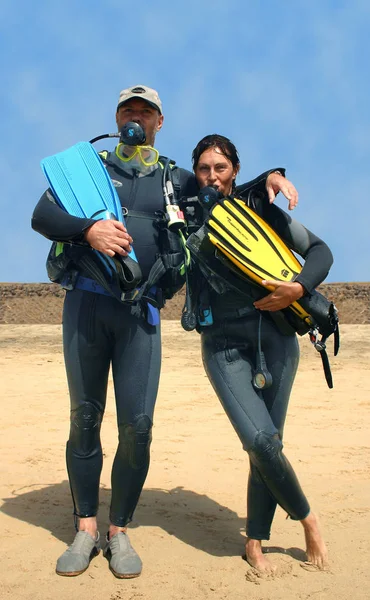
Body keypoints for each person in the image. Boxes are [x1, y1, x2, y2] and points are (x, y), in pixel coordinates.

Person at [31, 85, 299, 579]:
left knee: (138, 427)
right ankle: (86, 527)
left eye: (146, 111)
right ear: (116, 117)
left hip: (142, 314)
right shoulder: (87, 166)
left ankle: (120, 531)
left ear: (159, 121)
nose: (136, 117)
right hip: (87, 307)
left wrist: (269, 179)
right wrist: (87, 231)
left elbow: (222, 193)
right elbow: (41, 215)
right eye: (128, 109)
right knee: (85, 416)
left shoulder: (174, 177)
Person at [186, 134, 331, 572]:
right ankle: (308, 519)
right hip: (222, 345)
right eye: (204, 169)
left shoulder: (260, 212)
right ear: (195, 174)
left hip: (277, 342)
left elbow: (321, 252)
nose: (212, 176)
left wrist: (299, 288)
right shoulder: (186, 221)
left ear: (234, 172)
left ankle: (256, 539)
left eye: (221, 168)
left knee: (269, 442)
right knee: (260, 439)